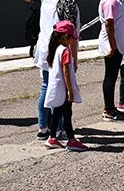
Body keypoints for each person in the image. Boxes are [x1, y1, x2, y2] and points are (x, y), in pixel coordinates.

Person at [21, 0, 81, 140]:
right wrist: (74, 58)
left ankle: (43, 126)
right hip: (60, 50)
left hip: (44, 47)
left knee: (46, 87)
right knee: (60, 90)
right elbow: (71, 34)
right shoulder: (66, 1)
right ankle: (60, 128)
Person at [43, 20, 88, 151]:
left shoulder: (54, 49)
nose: (71, 41)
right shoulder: (65, 51)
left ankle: (52, 138)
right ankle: (72, 140)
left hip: (57, 88)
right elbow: (66, 72)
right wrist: (70, 91)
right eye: (71, 38)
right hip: (64, 88)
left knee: (57, 113)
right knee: (67, 115)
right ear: (65, 37)